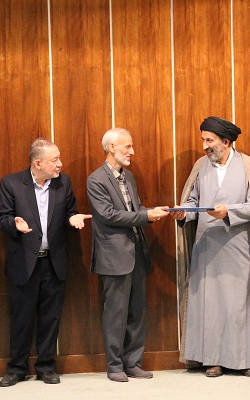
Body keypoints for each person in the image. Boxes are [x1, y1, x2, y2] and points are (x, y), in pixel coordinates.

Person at [172, 116, 250, 377]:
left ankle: (245, 360)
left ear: (226, 142)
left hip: (239, 246)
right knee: (210, 306)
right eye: (203, 140)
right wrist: (184, 212)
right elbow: (194, 201)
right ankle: (213, 360)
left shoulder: (248, 166)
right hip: (207, 247)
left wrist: (228, 212)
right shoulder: (201, 166)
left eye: (209, 140)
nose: (205, 146)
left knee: (238, 305)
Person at [0, 138, 91, 387]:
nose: (60, 164)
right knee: (21, 318)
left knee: (51, 317)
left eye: (59, 158)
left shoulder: (63, 182)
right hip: (24, 262)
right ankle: (17, 369)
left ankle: (46, 367)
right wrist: (13, 223)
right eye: (55, 160)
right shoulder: (11, 183)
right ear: (38, 163)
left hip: (53, 262)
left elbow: (70, 212)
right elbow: (2, 216)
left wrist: (72, 219)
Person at [87, 128, 169, 382]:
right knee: (115, 314)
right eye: (127, 146)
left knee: (137, 311)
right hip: (114, 257)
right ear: (112, 147)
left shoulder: (129, 177)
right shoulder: (96, 179)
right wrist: (145, 215)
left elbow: (135, 208)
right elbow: (108, 215)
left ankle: (133, 363)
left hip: (137, 253)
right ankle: (114, 366)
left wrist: (153, 212)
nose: (132, 151)